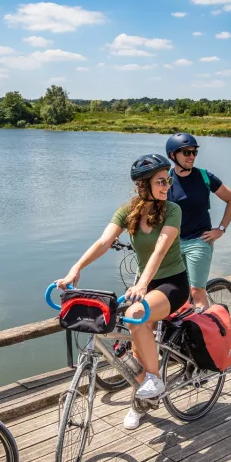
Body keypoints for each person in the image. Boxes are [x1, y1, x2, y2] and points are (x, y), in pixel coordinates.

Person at [57, 154, 190, 430]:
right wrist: (75, 269)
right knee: (136, 341)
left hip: (172, 284)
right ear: (144, 185)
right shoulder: (128, 211)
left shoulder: (173, 210)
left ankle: (152, 384)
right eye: (161, 181)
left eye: (169, 180)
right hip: (145, 283)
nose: (167, 185)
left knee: (135, 315)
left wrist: (142, 283)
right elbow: (104, 241)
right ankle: (143, 399)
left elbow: (160, 249)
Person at [165, 133, 231, 309]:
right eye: (186, 152)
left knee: (196, 290)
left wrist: (220, 229)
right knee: (173, 290)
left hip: (199, 240)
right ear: (173, 155)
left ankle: (204, 334)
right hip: (172, 243)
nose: (191, 156)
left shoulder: (205, 177)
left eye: (194, 152)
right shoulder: (165, 180)